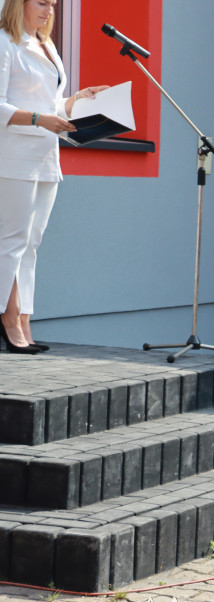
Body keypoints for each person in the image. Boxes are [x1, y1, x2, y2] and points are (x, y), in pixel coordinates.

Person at [0, 0, 107, 353]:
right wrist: (38, 120)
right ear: (20, 4)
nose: (49, 10)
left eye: (54, 4)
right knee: (10, 242)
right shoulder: (4, 42)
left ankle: (25, 320)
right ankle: (7, 320)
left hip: (46, 154)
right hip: (13, 156)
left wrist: (77, 100)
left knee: (32, 243)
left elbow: (52, 106)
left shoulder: (47, 45)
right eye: (41, 2)